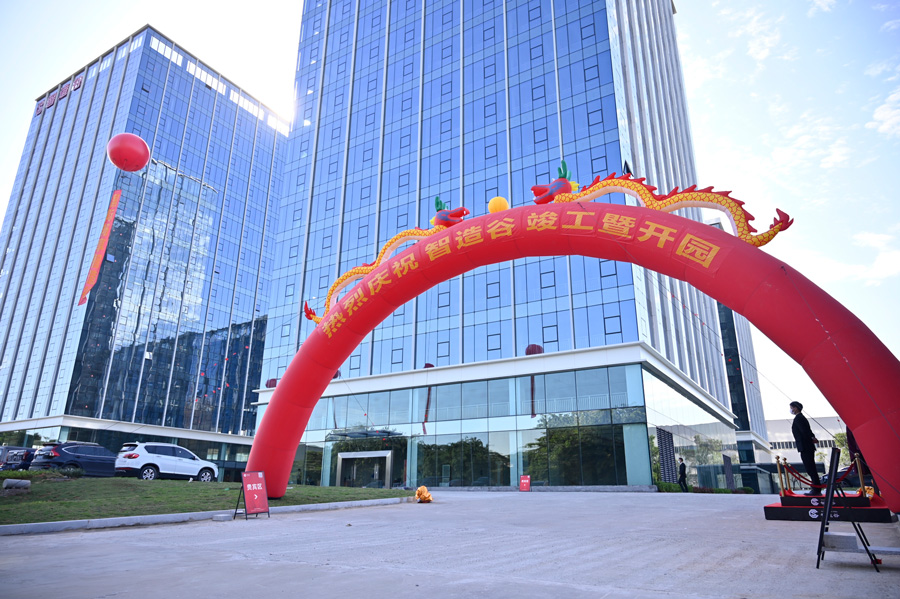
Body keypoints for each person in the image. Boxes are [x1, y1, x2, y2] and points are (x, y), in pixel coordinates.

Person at [790, 401, 821, 495]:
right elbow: (808, 431)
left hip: (805, 446)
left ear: (796, 408)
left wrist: (811, 438)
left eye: (792, 407)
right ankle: (816, 488)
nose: (791, 410)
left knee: (810, 468)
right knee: (811, 467)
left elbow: (804, 431)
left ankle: (816, 489)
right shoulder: (801, 418)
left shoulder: (798, 418)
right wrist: (812, 438)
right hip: (807, 446)